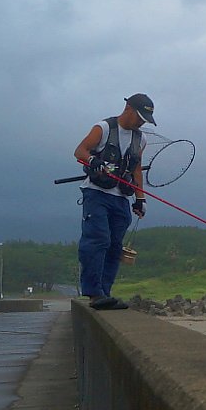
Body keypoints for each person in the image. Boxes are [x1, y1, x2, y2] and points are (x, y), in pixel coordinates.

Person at [73, 94, 156, 309]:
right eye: (139, 117)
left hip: (121, 198)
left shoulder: (141, 139)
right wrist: (93, 160)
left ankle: (105, 293)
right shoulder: (104, 128)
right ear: (127, 108)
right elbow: (80, 151)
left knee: (114, 245)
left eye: (144, 120)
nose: (141, 122)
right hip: (96, 194)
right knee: (98, 239)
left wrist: (140, 199)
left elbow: (136, 168)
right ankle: (94, 293)